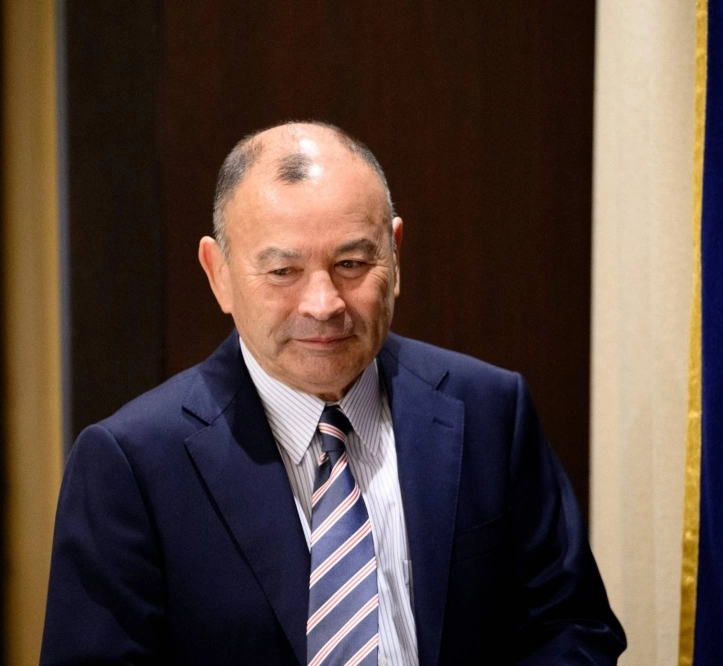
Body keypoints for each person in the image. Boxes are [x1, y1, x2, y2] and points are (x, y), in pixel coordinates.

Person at [41, 121, 625, 665]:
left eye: (351, 263)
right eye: (282, 272)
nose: (323, 304)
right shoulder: (132, 464)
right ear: (217, 273)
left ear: (394, 257)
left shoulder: (491, 410)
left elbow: (572, 627)